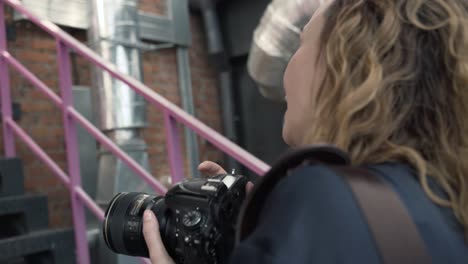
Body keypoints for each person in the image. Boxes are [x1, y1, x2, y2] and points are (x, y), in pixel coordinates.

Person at [141, 0, 468, 263]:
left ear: (345, 65)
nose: (285, 68)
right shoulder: (445, 194)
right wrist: (262, 230)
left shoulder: (323, 196)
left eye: (301, 43)